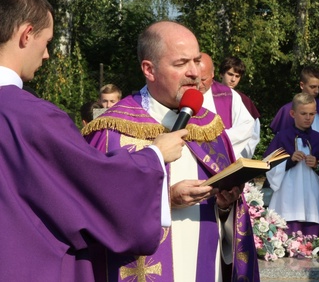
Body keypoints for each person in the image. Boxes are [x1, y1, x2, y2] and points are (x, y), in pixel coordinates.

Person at [0, 0, 188, 281]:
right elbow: (94, 189)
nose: (47, 54)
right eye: (46, 41)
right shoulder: (35, 118)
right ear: (26, 35)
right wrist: (155, 156)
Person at [83, 21, 259, 282]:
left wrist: (225, 207)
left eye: (196, 61)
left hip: (205, 267)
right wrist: (166, 198)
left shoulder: (211, 128)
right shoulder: (110, 132)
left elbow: (231, 223)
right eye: (180, 64)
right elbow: (92, 212)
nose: (194, 73)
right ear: (149, 70)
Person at [264, 93, 319, 237]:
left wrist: (317, 166)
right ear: (293, 113)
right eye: (304, 113)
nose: (308, 118)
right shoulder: (282, 137)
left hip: (313, 199)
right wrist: (289, 161)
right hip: (288, 198)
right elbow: (267, 166)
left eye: (312, 114)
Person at [199, 52, 256, 159]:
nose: (199, 84)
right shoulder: (182, 92)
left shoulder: (230, 96)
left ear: (212, 74)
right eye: (230, 74)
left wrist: (219, 141)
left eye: (203, 79)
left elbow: (247, 125)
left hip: (221, 157)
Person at [270, 66, 319, 141]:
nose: (317, 91)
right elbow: (280, 144)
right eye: (312, 87)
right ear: (302, 85)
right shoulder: (286, 110)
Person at [218, 56, 261, 158]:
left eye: (237, 76)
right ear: (221, 74)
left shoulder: (245, 101)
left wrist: (242, 155)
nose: (233, 79)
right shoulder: (208, 95)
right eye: (230, 74)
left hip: (236, 155)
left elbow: (254, 133)